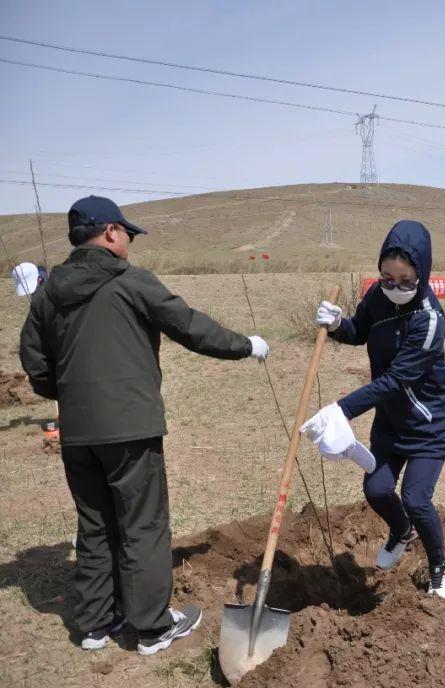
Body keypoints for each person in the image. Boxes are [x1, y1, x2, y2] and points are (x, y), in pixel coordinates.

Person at [18, 196, 269, 654]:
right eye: (127, 234)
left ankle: (94, 625)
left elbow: (35, 363)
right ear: (111, 232)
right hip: (131, 429)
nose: (129, 242)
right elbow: (190, 327)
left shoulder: (47, 293)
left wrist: (72, 395)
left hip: (78, 430)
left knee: (94, 524)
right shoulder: (131, 282)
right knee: (143, 525)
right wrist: (245, 346)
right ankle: (152, 627)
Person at [303, 220, 445, 599]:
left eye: (404, 280)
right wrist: (339, 324)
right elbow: (361, 331)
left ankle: (442, 562)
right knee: (376, 489)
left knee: (416, 498)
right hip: (390, 421)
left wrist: (342, 409)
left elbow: (396, 380)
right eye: (386, 278)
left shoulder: (428, 319)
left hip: (428, 423)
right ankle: (401, 531)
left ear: (421, 274)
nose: (394, 287)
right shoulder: (378, 295)